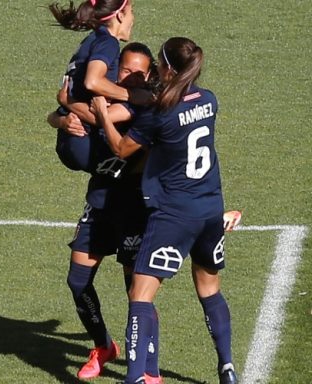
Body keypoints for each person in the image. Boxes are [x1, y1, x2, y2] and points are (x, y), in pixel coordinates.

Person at [92, 37, 239, 384]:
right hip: (210, 210)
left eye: (159, 63)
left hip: (174, 214)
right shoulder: (209, 100)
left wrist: (101, 113)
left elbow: (120, 147)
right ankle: (228, 368)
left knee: (140, 295)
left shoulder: (161, 114)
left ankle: (134, 378)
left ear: (169, 69)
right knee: (210, 290)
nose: (155, 69)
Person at [50, 42, 162, 382]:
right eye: (125, 70)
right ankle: (103, 346)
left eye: (139, 72)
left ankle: (150, 369)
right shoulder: (107, 98)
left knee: (137, 292)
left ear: (150, 76)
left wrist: (70, 102)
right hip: (100, 199)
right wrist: (61, 119)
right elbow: (62, 114)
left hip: (134, 206)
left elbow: (100, 115)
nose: (131, 77)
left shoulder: (144, 107)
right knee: (77, 280)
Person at [47, 0, 151, 173]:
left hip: (70, 139)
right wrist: (132, 96)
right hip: (88, 144)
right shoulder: (108, 43)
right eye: (131, 11)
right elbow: (92, 82)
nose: (133, 18)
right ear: (120, 15)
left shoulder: (92, 39)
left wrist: (65, 106)